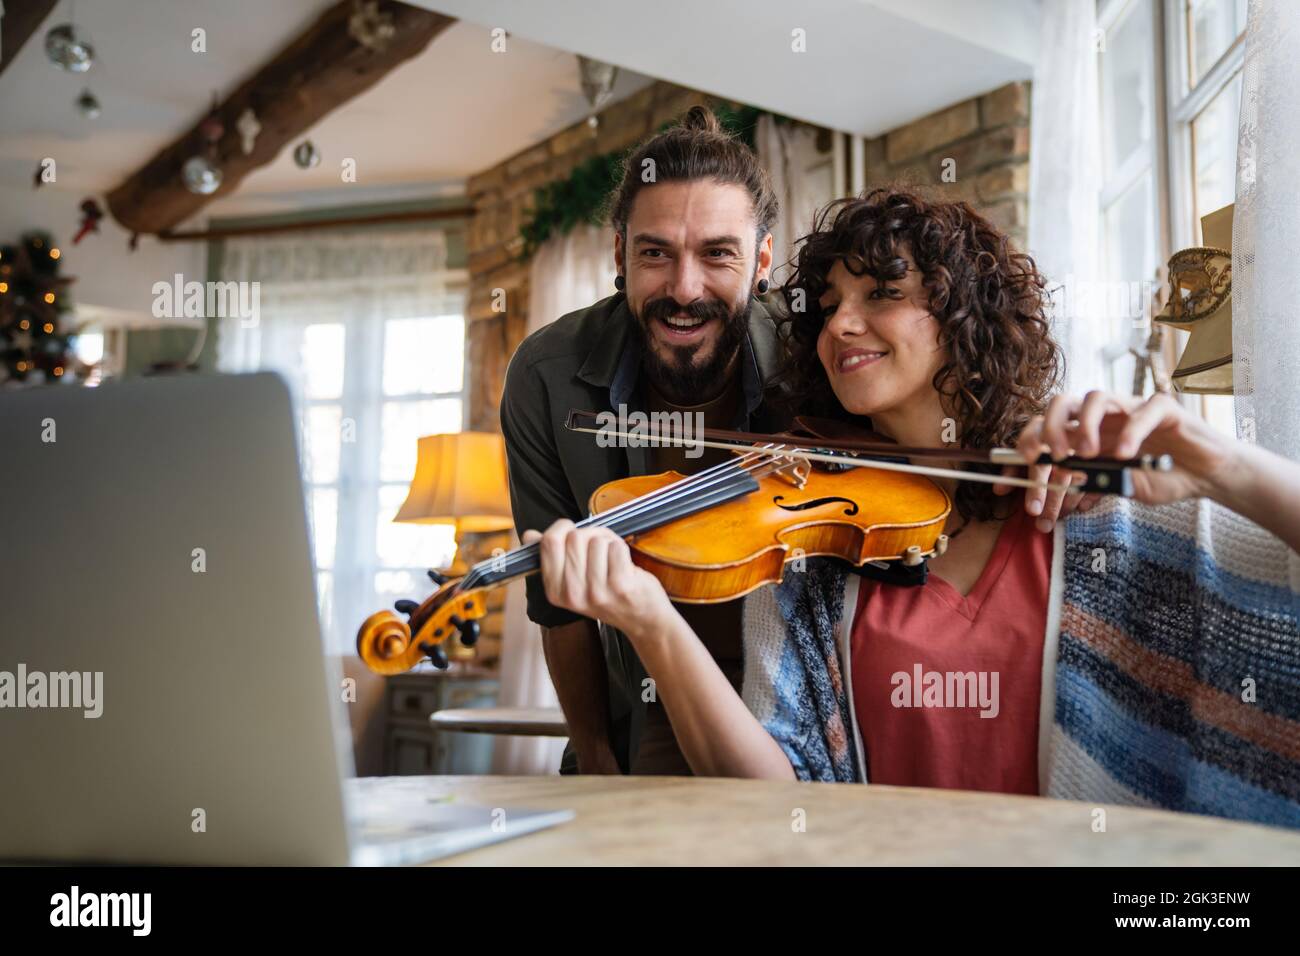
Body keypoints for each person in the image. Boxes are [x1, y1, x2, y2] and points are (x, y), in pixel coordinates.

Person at [526, 188, 1300, 828]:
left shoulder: (1101, 508)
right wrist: (651, 620)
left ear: (967, 315)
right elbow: (771, 798)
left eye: (883, 294)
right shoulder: (816, 547)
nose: (840, 325)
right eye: (828, 306)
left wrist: (1221, 464)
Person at [500, 105, 787, 775]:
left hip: (795, 708)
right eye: (655, 253)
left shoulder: (821, 357)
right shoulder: (548, 374)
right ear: (620, 255)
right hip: (648, 711)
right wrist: (597, 754)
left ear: (762, 260)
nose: (684, 290)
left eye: (718, 254)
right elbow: (557, 600)